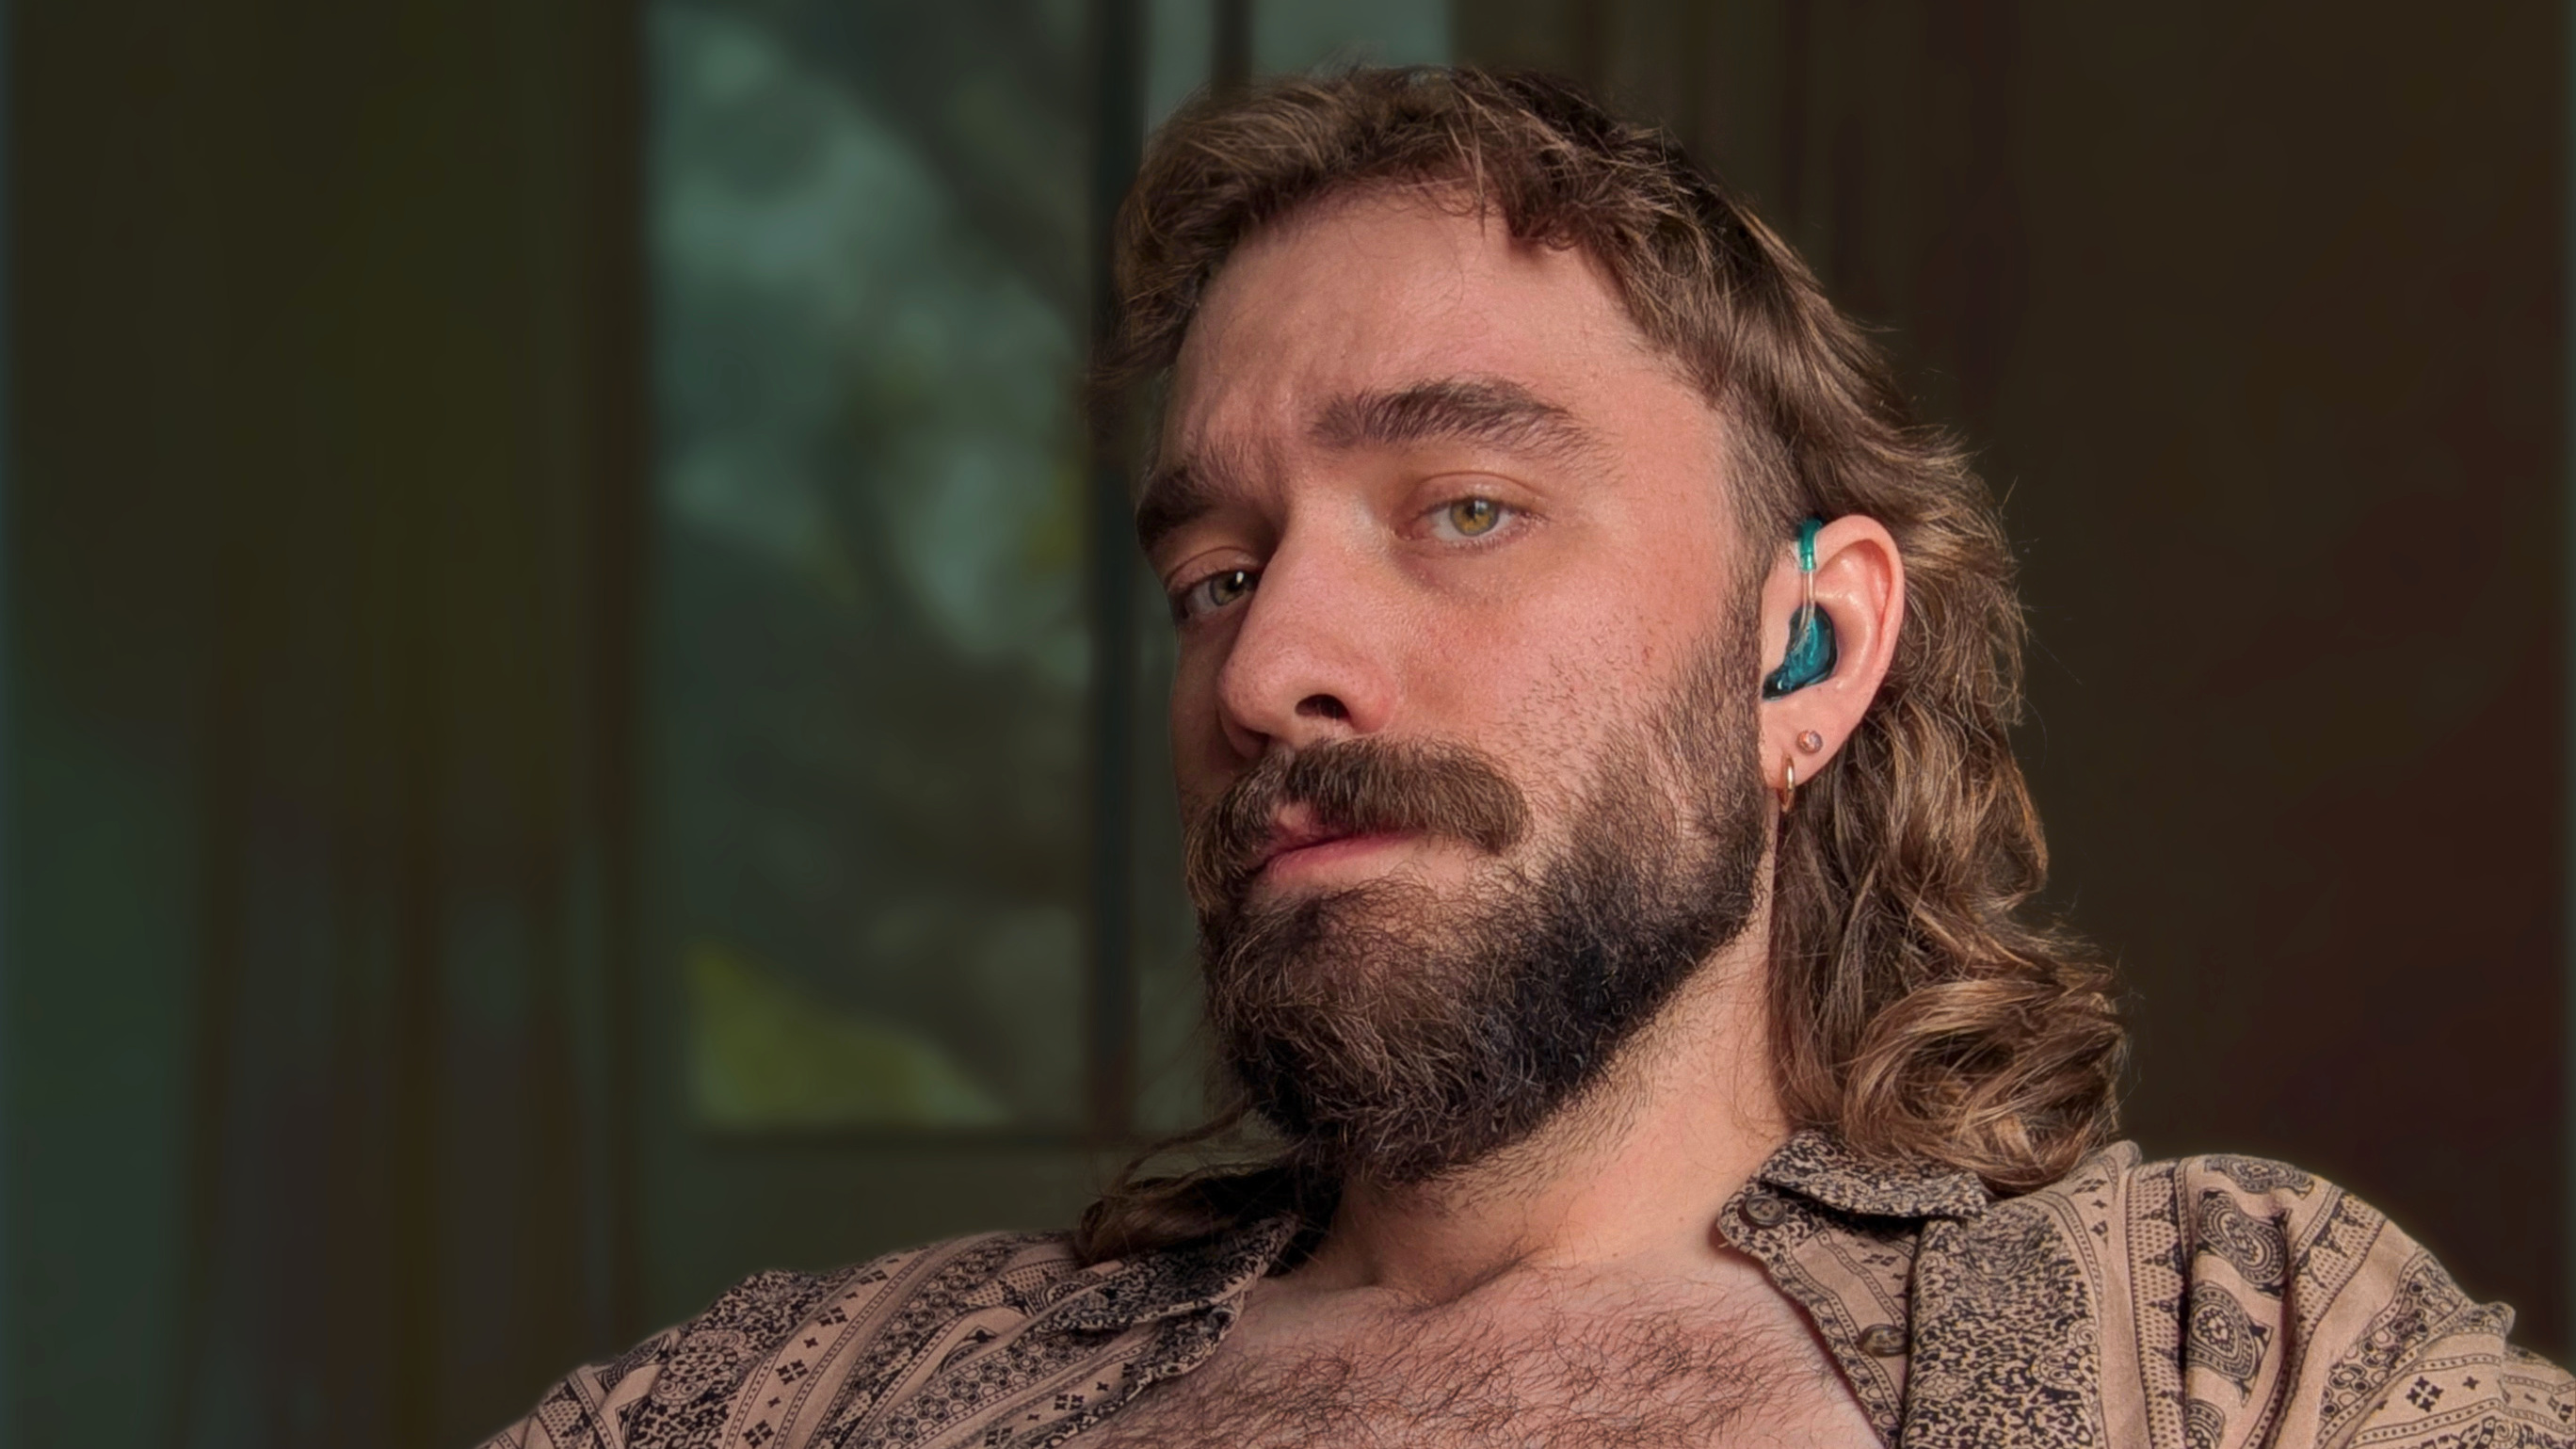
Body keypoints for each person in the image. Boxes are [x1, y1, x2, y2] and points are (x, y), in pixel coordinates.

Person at [488, 67, 2574, 1448]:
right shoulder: (799, 1395)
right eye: (1215, 569)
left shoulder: (2252, 1354)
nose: (1266, 666)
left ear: (1814, 643)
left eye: (1462, 506)